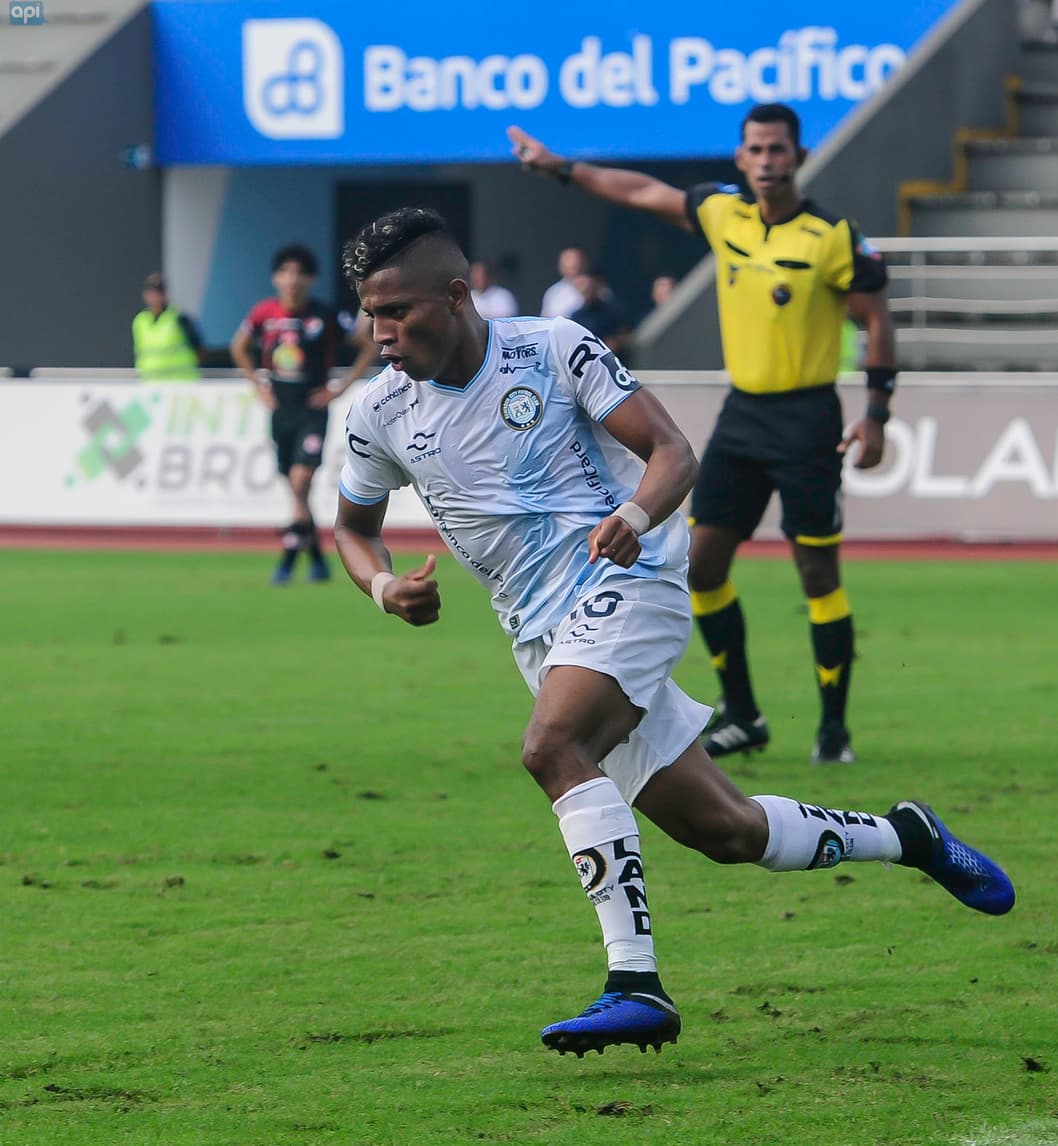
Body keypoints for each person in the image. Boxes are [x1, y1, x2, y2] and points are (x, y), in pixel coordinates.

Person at [333, 205, 1014, 1059]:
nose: (381, 333)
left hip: (630, 578)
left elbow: (671, 451)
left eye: (397, 311)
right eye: (370, 314)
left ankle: (635, 984)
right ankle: (909, 837)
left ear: (458, 295)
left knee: (552, 747)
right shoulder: (379, 412)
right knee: (727, 831)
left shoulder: (552, 349)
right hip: (542, 633)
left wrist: (633, 515)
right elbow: (353, 528)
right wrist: (384, 585)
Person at [508, 103, 898, 765]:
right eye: (756, 150)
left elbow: (876, 318)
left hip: (809, 419)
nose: (767, 161)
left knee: (816, 572)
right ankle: (744, 714)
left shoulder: (831, 236)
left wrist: (877, 411)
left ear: (799, 157)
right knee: (703, 565)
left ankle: (833, 730)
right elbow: (640, 191)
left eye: (778, 149)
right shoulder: (723, 214)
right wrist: (562, 169)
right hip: (743, 415)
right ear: (740, 158)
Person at [230, 243, 379, 585]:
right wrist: (257, 384)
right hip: (281, 410)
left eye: (299, 273)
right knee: (298, 493)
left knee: (300, 483)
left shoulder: (325, 315)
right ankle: (317, 560)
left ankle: (287, 560)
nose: (292, 280)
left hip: (312, 410)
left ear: (310, 279)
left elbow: (367, 346)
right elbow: (239, 346)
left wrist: (340, 388)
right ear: (276, 278)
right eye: (285, 273)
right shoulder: (264, 314)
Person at [132, 272, 202, 381]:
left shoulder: (179, 319)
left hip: (180, 383)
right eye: (151, 291)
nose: (155, 296)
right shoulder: (140, 321)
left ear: (165, 294)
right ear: (145, 295)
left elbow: (199, 350)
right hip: (151, 383)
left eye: (159, 291)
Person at [569, 266, 630, 356]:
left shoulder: (613, 311)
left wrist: (615, 343)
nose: (587, 293)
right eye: (585, 291)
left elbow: (624, 332)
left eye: (590, 289)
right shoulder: (576, 316)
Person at [540, 245, 587, 317]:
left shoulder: (597, 290)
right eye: (568, 259)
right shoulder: (553, 291)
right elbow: (546, 318)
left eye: (577, 259)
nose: (572, 263)